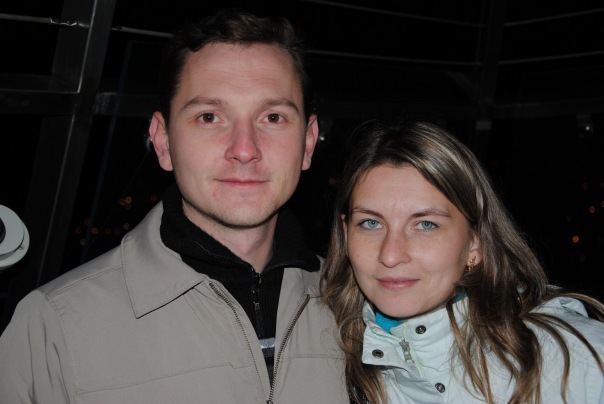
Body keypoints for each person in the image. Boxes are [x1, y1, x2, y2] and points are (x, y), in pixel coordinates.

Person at [0, 8, 348, 403]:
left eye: (272, 117)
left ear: (308, 142)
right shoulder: (55, 328)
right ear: (163, 141)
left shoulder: (356, 308)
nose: (244, 149)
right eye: (209, 117)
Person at [321, 119, 604, 403]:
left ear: (474, 242)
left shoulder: (581, 366)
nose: (391, 255)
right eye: (371, 223)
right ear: (346, 234)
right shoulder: (326, 361)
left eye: (426, 225)